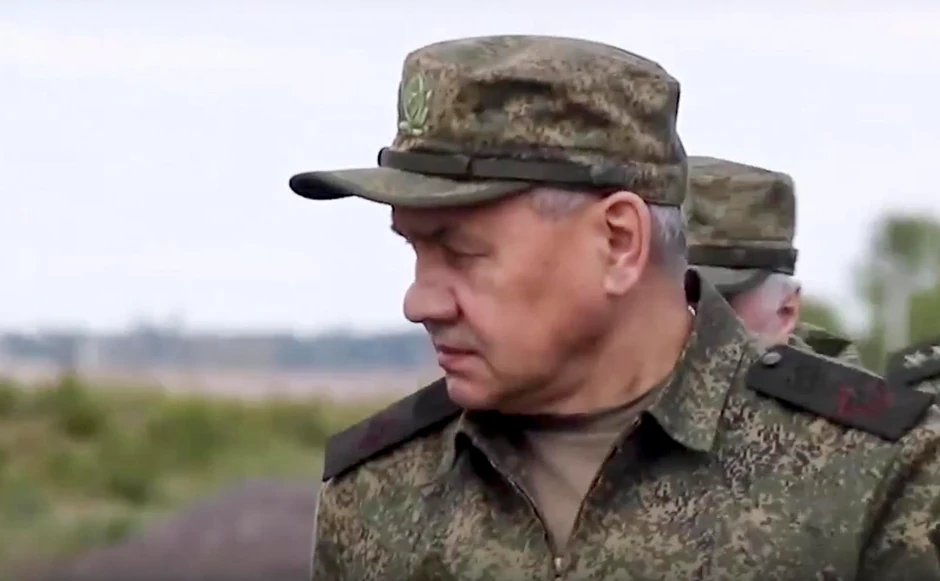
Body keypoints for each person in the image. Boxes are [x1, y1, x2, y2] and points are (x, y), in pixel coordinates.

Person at [290, 35, 940, 580]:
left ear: (619, 242)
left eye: (461, 252)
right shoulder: (380, 489)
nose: (418, 301)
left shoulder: (875, 473)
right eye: (414, 249)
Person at [684, 156, 864, 365]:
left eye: (706, 301)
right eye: (658, 299)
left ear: (786, 311)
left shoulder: (839, 387)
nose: (677, 321)